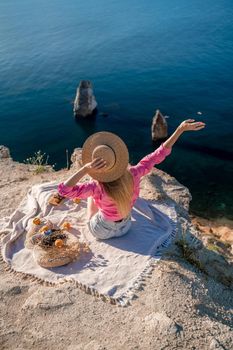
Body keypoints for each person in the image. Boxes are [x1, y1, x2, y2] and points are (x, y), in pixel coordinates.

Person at [57, 119, 205, 240]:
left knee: (90, 200)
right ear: (119, 160)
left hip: (101, 231)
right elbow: (159, 154)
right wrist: (180, 129)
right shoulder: (134, 174)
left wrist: (85, 169)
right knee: (97, 197)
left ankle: (91, 216)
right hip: (125, 228)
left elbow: (63, 190)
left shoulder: (96, 186)